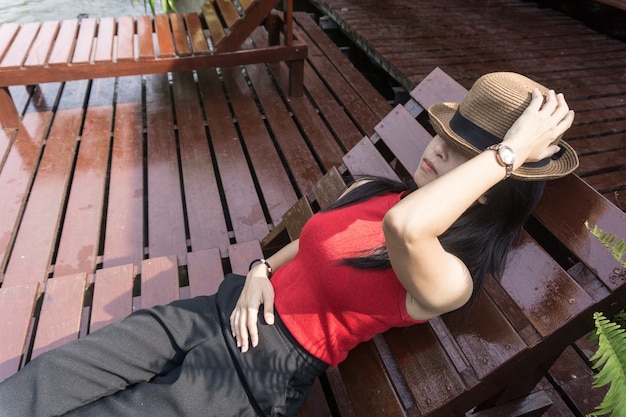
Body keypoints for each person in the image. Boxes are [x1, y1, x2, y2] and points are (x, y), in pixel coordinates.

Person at [0, 72, 579, 417]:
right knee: (47, 381)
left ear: (489, 186)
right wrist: (257, 269)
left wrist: (509, 154)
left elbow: (407, 232)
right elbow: (309, 240)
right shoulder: (378, 190)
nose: (434, 150)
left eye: (458, 152)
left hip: (250, 378)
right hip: (218, 310)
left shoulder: (447, 278)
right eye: (441, 136)